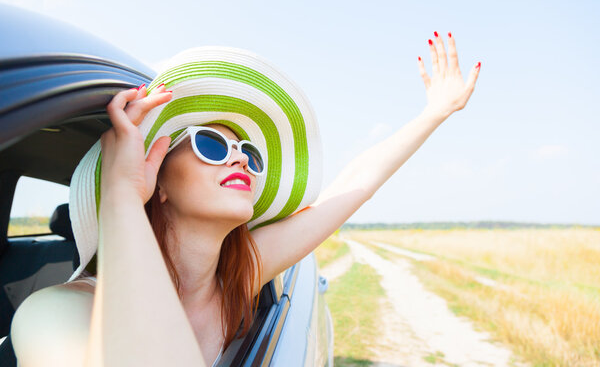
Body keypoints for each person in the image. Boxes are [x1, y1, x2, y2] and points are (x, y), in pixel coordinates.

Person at [10, 32, 480, 367]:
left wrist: (434, 114)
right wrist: (121, 195)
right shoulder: (55, 311)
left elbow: (352, 185)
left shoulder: (239, 277)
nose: (239, 159)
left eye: (249, 153)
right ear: (157, 182)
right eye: (211, 145)